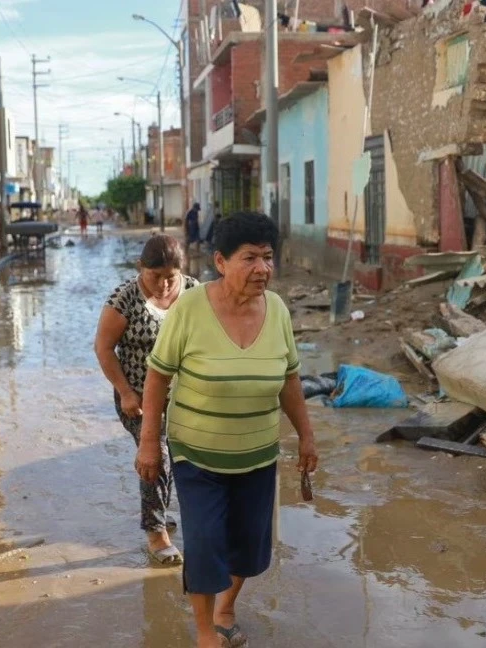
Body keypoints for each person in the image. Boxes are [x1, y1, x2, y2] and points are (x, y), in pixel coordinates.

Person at [137, 212, 318, 648]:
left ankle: (227, 607)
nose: (263, 269)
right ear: (221, 261)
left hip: (257, 454)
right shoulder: (190, 309)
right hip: (197, 453)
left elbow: (290, 379)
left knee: (249, 546)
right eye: (250, 258)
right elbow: (158, 376)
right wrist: (149, 443)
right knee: (202, 541)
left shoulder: (277, 310)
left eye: (269, 258)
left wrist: (307, 436)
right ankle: (205, 632)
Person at [94, 234, 200, 565]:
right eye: (156, 276)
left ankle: (163, 510)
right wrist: (125, 392)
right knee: (157, 457)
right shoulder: (123, 300)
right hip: (138, 398)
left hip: (185, 397)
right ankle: (156, 532)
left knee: (185, 459)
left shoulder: (196, 294)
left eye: (171, 277)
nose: (165, 285)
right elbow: (103, 348)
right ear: (141, 268)